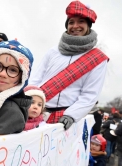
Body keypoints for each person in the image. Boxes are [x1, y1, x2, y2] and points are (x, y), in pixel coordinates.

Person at [29, 1, 109, 131]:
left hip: (66, 120)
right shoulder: (53, 52)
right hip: (38, 112)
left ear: (88, 25)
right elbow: (36, 80)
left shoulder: (98, 59)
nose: (75, 26)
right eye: (71, 22)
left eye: (81, 21)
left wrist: (71, 115)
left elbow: (89, 95)